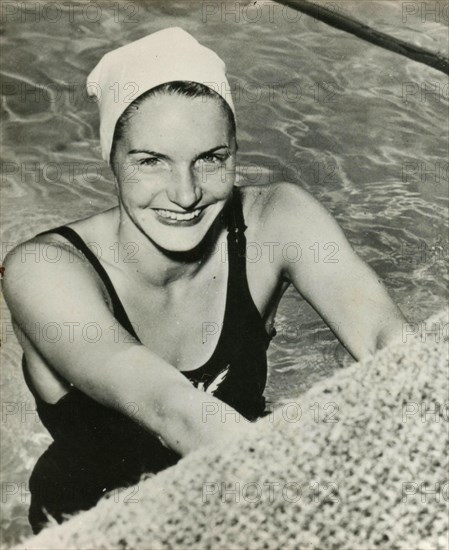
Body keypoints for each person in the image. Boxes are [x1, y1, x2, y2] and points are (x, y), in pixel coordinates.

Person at [2, 27, 405, 534]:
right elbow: (173, 410)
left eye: (211, 159)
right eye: (151, 161)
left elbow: (386, 340)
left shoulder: (277, 220)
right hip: (99, 528)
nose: (186, 193)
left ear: (236, 151)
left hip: (243, 505)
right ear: (110, 159)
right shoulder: (44, 270)